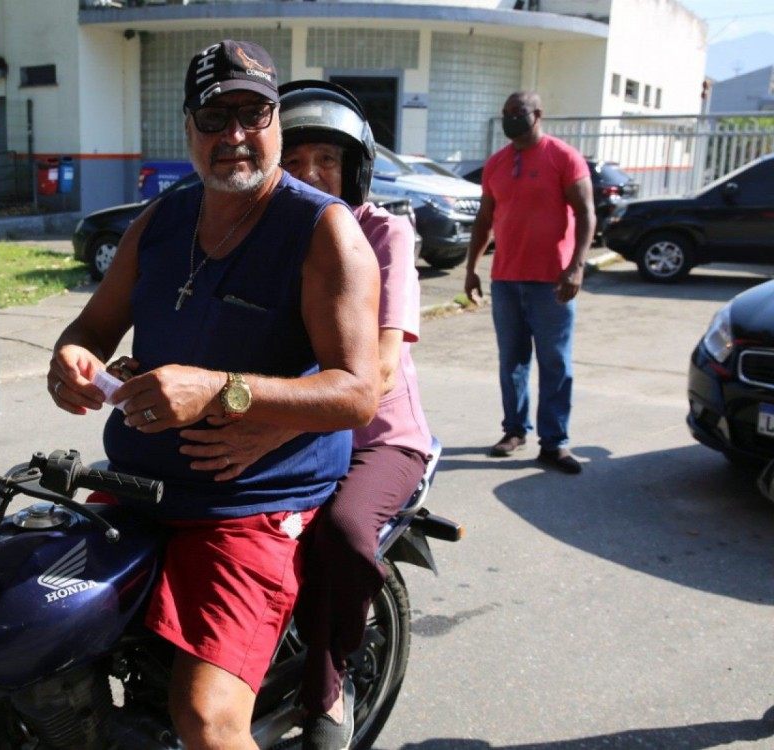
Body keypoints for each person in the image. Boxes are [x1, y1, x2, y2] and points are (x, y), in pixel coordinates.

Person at [48, 41, 381, 749]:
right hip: (136, 489)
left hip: (247, 508)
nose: (234, 134)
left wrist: (220, 391)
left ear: (277, 122)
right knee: (23, 636)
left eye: (253, 114)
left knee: (205, 718)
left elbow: (357, 393)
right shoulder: (161, 220)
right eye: (213, 117)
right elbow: (92, 327)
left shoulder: (323, 230)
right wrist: (71, 357)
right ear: (188, 129)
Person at [180, 80, 433, 749]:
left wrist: (275, 427)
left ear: (355, 170)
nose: (311, 174)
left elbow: (378, 370)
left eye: (327, 160)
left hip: (376, 436)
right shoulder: (265, 233)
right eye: (295, 159)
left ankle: (330, 684)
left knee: (344, 532)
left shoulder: (381, 233)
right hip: (288, 425)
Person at [464, 91, 596, 474]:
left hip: (552, 282)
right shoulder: (496, 164)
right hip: (506, 280)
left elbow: (586, 213)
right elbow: (484, 220)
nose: (510, 118)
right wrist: (471, 268)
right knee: (512, 362)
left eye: (517, 112)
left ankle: (554, 443)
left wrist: (576, 267)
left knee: (555, 363)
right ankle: (514, 430)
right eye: (505, 112)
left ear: (537, 114)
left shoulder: (563, 157)